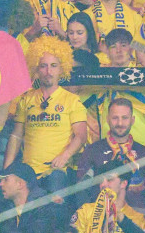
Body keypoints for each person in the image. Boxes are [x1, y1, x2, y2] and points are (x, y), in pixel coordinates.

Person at [5, 36, 88, 193]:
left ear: (62, 69)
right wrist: (8, 169)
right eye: (43, 66)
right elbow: (16, 135)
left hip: (56, 172)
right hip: (27, 172)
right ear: (36, 69)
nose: (48, 72)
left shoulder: (72, 100)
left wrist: (64, 156)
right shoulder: (26, 98)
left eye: (54, 66)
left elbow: (81, 136)